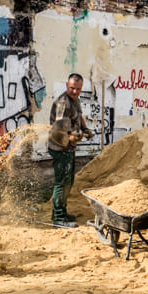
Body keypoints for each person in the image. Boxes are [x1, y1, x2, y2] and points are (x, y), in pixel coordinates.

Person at [48, 73, 93, 228]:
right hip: (60, 148)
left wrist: (85, 128)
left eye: (78, 89)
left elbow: (79, 116)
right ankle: (58, 219)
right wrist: (72, 138)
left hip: (69, 149)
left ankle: (61, 211)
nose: (75, 92)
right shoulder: (63, 103)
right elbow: (58, 131)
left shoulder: (75, 100)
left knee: (69, 181)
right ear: (67, 86)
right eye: (72, 88)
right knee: (62, 183)